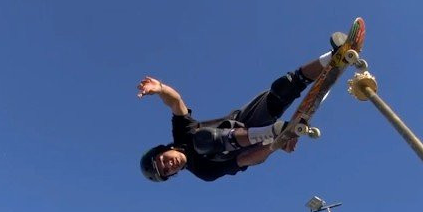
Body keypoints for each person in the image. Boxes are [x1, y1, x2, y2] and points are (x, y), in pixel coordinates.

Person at [137, 31, 350, 183]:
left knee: (283, 88)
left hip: (246, 119)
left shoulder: (181, 134)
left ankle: (334, 55)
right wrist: (277, 143)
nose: (170, 165)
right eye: (167, 171)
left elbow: (175, 102)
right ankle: (273, 132)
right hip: (253, 143)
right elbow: (245, 159)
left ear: (164, 150)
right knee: (204, 143)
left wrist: (161, 88)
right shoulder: (205, 172)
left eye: (163, 161)